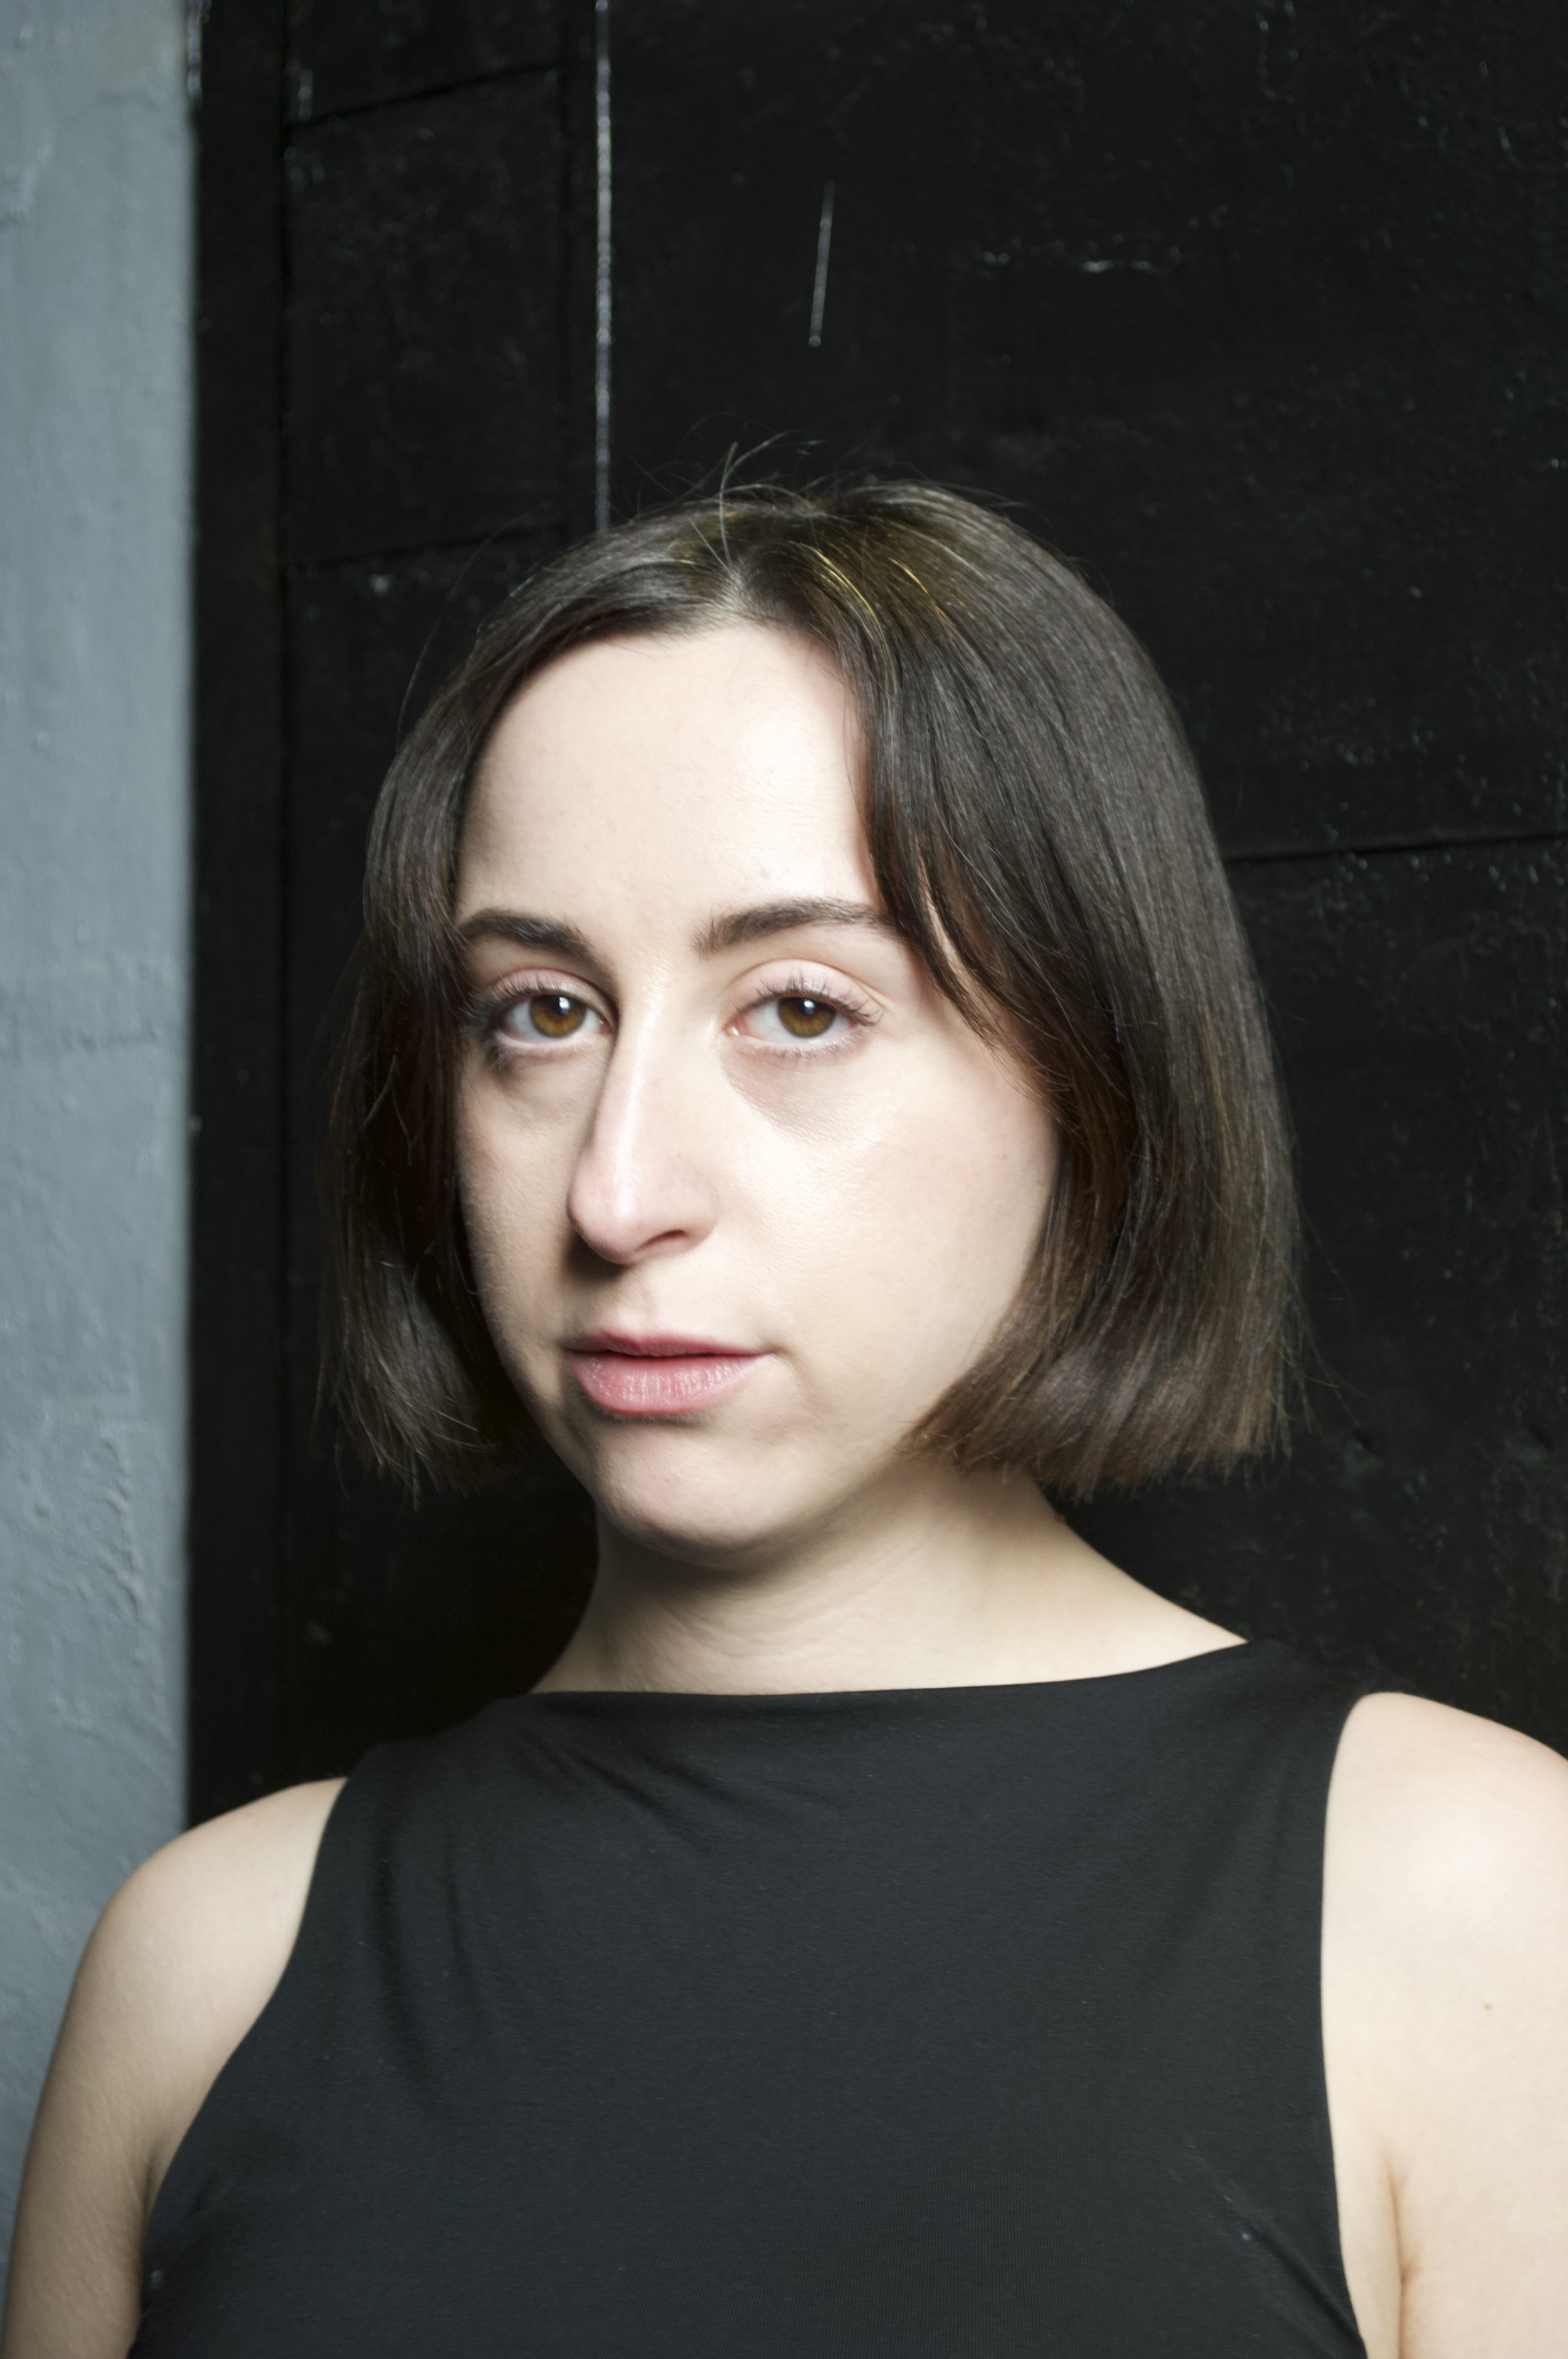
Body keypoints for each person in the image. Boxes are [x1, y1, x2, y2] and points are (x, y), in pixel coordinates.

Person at [4, 484, 1565, 2358]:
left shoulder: (1465, 1913)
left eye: (801, 1010)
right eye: (542, 1012)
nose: (618, 1192)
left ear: (1097, 1069)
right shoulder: (203, 1966)